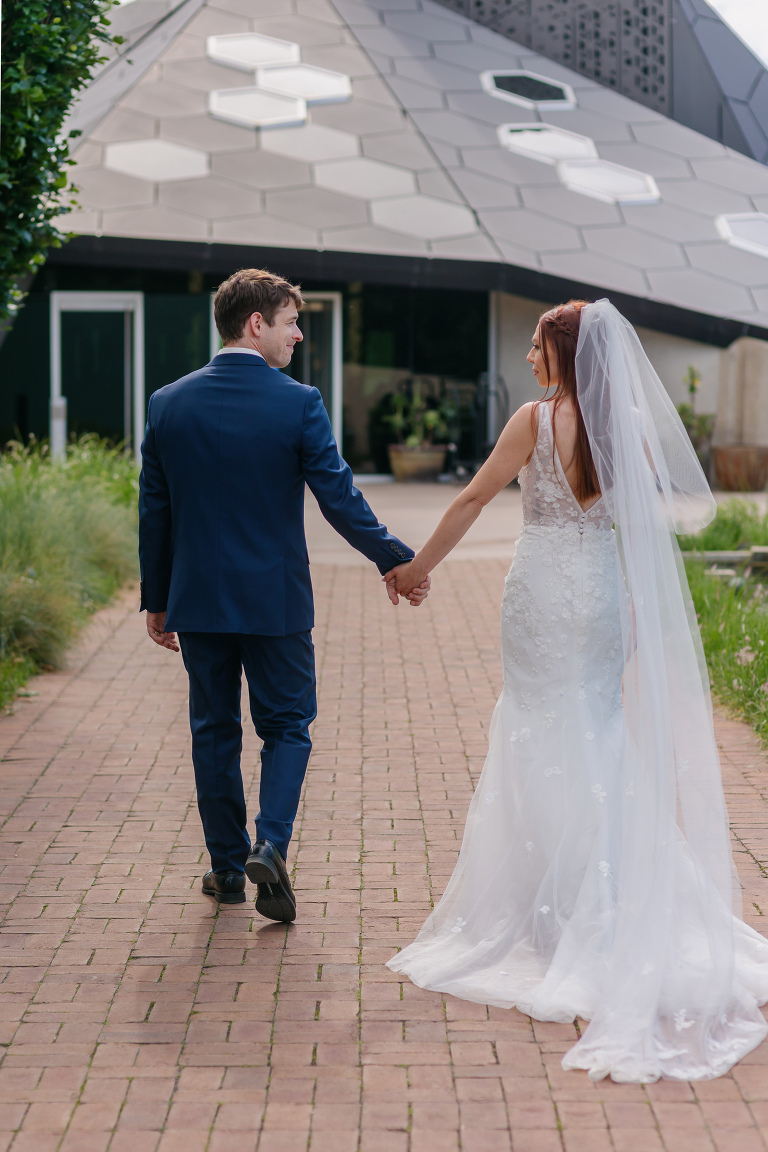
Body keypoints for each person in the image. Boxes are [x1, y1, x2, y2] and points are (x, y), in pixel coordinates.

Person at [384, 299, 768, 1082]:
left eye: (537, 345)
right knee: (594, 732)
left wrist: (416, 567)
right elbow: (642, 520)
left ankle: (554, 913)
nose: (528, 357)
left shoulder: (534, 419)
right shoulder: (620, 419)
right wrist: (628, 601)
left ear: (565, 352)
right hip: (598, 592)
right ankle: (603, 899)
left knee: (535, 728)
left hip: (540, 588)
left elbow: (470, 497)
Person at [139, 268, 429, 924]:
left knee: (213, 731)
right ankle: (270, 843)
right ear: (255, 324)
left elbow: (154, 513)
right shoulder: (298, 403)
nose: (298, 334)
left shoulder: (167, 404)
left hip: (200, 601)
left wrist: (157, 598)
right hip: (275, 600)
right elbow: (339, 500)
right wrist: (395, 559)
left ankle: (225, 867)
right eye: (291, 321)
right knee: (288, 725)